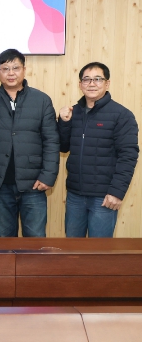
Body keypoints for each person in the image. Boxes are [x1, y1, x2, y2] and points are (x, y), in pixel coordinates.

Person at [0, 49, 59, 237]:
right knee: (5, 240)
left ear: (24, 70)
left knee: (35, 239)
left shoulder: (41, 99)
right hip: (1, 182)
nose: (10, 73)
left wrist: (48, 176)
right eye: (5, 69)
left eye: (15, 68)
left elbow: (52, 141)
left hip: (34, 182)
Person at [57, 62, 139, 238]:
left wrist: (116, 192)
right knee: (73, 249)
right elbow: (63, 147)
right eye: (86, 79)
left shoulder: (122, 115)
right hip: (75, 195)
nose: (92, 83)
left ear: (107, 83)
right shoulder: (73, 112)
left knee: (99, 250)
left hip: (104, 198)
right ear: (80, 84)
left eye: (98, 79)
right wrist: (63, 123)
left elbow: (128, 156)